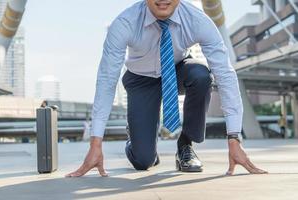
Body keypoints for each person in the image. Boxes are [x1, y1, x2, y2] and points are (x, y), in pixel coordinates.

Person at [66, 0, 267, 177]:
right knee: (143, 161)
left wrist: (234, 139)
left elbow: (225, 74)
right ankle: (136, 137)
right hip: (140, 79)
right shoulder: (125, 23)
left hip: (178, 70)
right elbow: (107, 80)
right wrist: (95, 143)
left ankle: (185, 145)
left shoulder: (198, 21)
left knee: (201, 76)